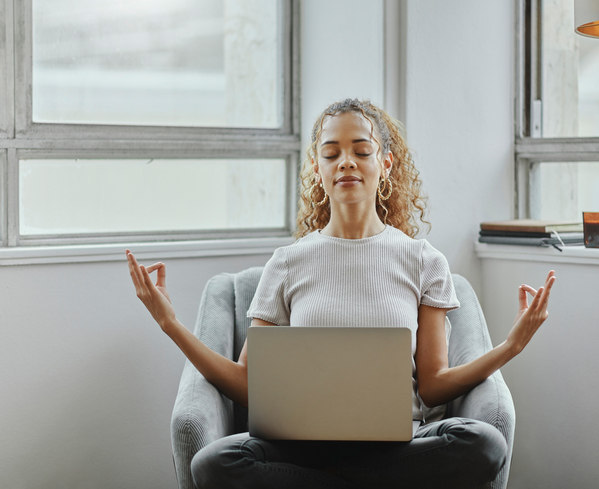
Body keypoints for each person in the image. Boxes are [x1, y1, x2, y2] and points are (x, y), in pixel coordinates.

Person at [126, 98, 556, 489]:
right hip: (303, 446)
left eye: (361, 151)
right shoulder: (287, 262)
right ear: (318, 166)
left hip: (400, 442)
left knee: (483, 442)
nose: (346, 162)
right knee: (213, 463)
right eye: (331, 153)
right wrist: (169, 323)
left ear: (385, 163)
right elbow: (247, 384)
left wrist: (511, 346)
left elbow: (432, 386)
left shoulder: (424, 261)